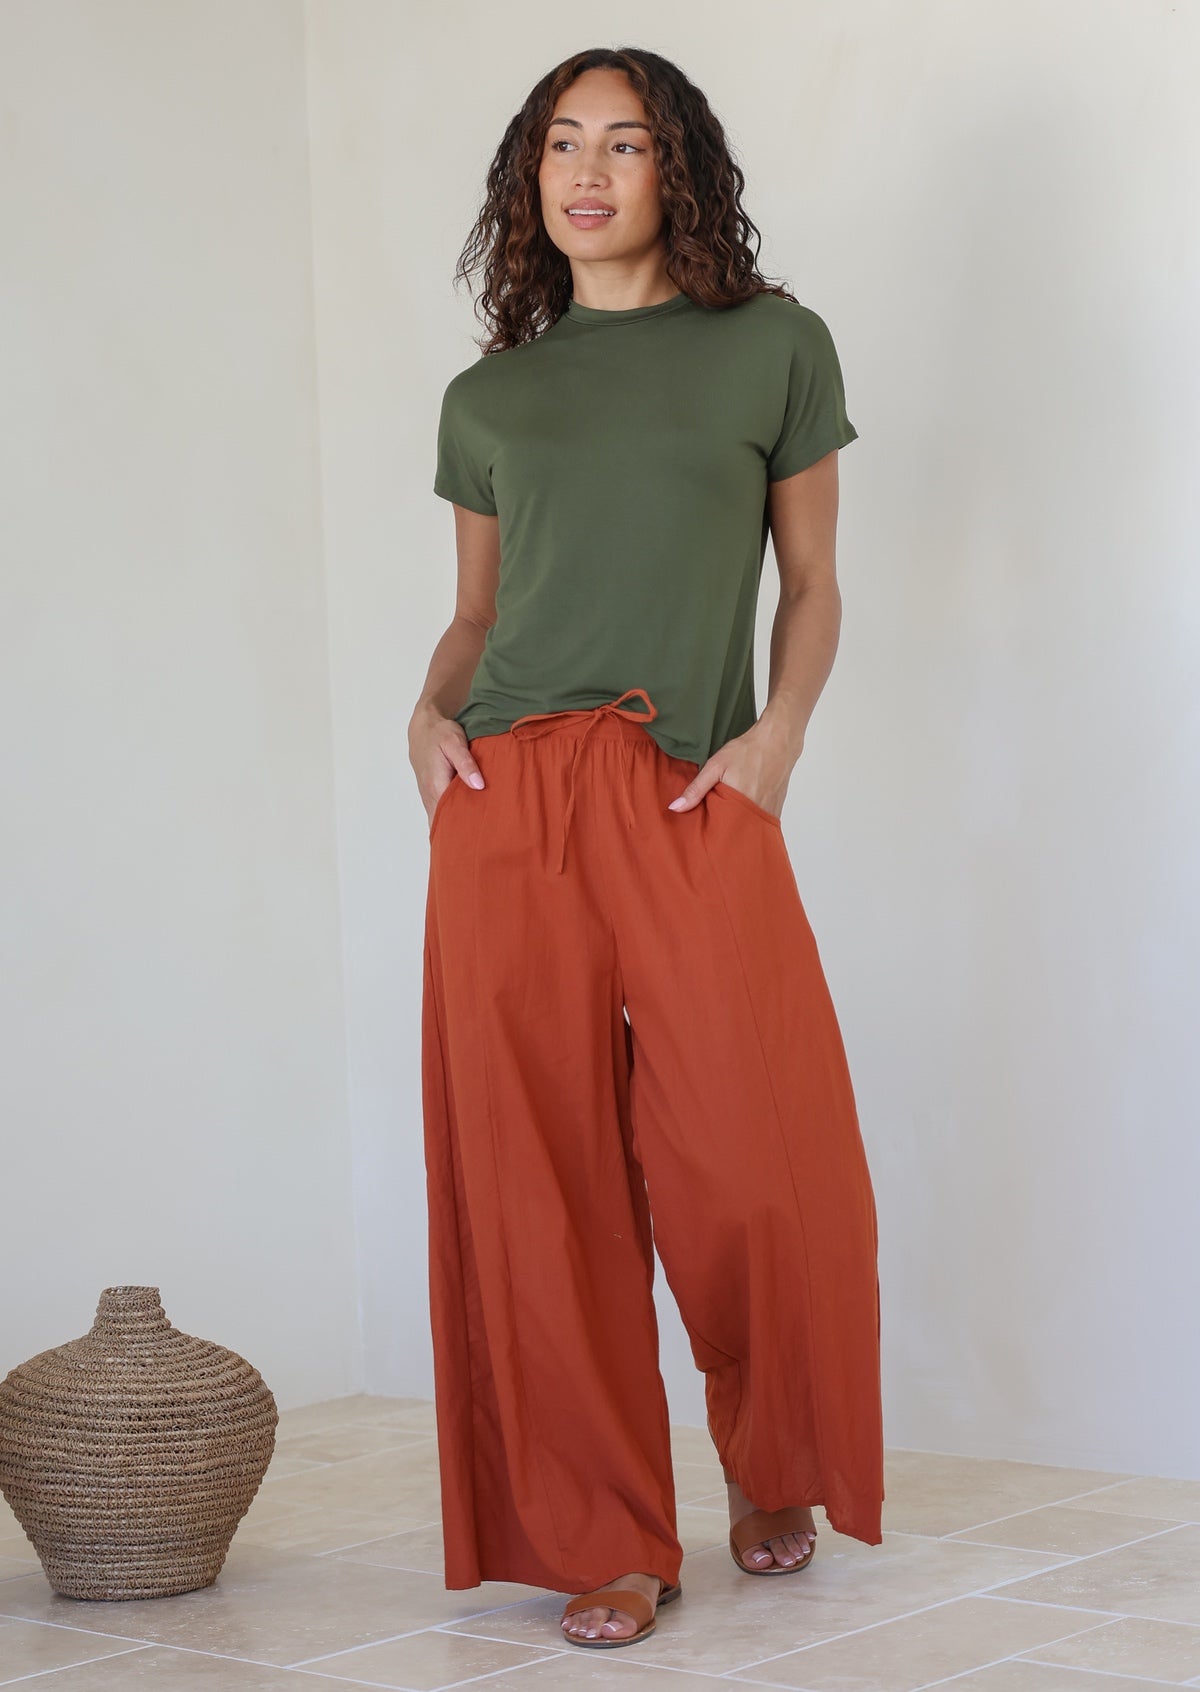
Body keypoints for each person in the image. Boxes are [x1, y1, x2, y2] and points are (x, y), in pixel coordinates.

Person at [409, 44, 884, 1652]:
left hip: (690, 786)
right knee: (537, 1183)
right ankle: (607, 1531)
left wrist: (777, 741)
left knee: (752, 1157)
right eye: (563, 144)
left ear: (677, 169)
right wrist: (424, 718)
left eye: (624, 142)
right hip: (507, 804)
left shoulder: (773, 349)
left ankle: (772, 1456)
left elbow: (810, 584)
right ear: (528, 179)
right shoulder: (491, 399)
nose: (590, 171)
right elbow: (479, 616)